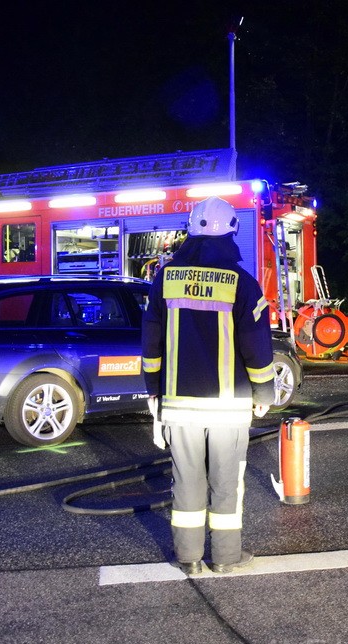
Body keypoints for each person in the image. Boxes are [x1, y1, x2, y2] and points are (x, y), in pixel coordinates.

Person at [141, 196, 275, 577]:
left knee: (186, 481)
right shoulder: (242, 284)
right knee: (226, 482)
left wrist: (153, 385)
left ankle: (189, 558)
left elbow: (151, 341)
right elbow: (257, 347)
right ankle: (226, 558)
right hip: (229, 407)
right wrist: (264, 393)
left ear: (190, 230)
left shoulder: (165, 278)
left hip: (179, 404)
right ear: (232, 231)